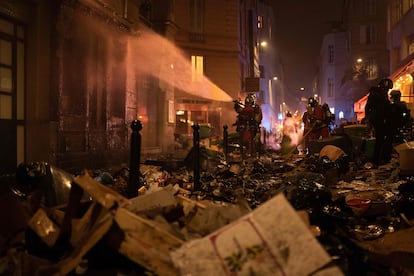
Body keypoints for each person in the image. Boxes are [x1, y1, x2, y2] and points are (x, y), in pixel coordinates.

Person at [364, 78, 393, 166]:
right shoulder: (381, 95)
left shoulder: (374, 94)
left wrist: (368, 118)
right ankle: (380, 159)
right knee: (381, 139)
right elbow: (386, 108)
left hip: (376, 119)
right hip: (380, 120)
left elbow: (367, 107)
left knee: (379, 140)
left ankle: (378, 159)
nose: (388, 90)